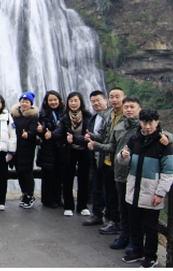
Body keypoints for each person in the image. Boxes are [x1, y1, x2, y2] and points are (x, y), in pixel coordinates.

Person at [88, 97, 171, 253]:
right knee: (124, 209)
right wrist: (96, 146)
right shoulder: (119, 127)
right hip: (121, 172)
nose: (128, 110)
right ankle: (124, 236)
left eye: (132, 107)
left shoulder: (144, 127)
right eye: (126, 107)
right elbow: (113, 147)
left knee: (136, 212)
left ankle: (135, 241)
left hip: (138, 175)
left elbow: (163, 135)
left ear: (139, 109)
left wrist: (169, 138)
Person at [118, 109, 173, 268]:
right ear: (140, 122)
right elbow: (123, 159)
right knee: (134, 224)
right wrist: (123, 156)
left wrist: (160, 193)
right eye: (144, 122)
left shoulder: (163, 144)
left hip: (151, 192)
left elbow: (169, 172)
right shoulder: (135, 138)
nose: (147, 126)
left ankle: (151, 257)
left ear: (157, 122)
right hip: (134, 190)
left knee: (150, 228)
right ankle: (137, 251)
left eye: (151, 123)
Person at [86, 87, 126, 235]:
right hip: (107, 161)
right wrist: (90, 136)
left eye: (117, 96)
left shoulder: (127, 115)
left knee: (118, 195)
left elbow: (113, 144)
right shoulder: (109, 116)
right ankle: (113, 222)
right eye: (112, 97)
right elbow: (105, 137)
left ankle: (119, 225)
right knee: (110, 194)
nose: (114, 100)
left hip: (120, 162)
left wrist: (166, 136)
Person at [50, 92, 92, 217]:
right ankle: (68, 206)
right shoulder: (65, 118)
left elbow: (88, 136)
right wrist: (50, 135)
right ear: (67, 103)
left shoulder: (87, 116)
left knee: (83, 179)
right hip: (68, 152)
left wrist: (74, 139)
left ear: (81, 102)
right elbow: (59, 132)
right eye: (71, 101)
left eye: (76, 100)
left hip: (84, 151)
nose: (73, 103)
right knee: (67, 179)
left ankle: (82, 206)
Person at [83, 90, 111, 226]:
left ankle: (110, 217)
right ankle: (97, 214)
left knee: (109, 190)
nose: (96, 103)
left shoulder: (111, 116)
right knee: (97, 187)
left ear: (105, 100)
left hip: (108, 158)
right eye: (93, 101)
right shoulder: (93, 118)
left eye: (98, 100)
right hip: (95, 158)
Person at [36, 90, 65, 209]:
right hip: (48, 150)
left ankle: (58, 198)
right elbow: (42, 128)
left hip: (60, 149)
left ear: (59, 100)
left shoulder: (63, 113)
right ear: (46, 102)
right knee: (48, 175)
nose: (53, 102)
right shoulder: (44, 114)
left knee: (59, 174)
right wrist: (41, 131)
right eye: (50, 100)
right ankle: (48, 199)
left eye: (55, 100)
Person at [11, 92, 39, 209]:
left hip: (27, 149)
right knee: (19, 172)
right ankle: (24, 194)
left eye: (27, 102)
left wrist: (28, 134)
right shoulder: (15, 116)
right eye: (22, 101)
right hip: (16, 149)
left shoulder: (33, 117)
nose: (24, 104)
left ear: (31, 104)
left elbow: (34, 130)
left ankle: (30, 195)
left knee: (27, 173)